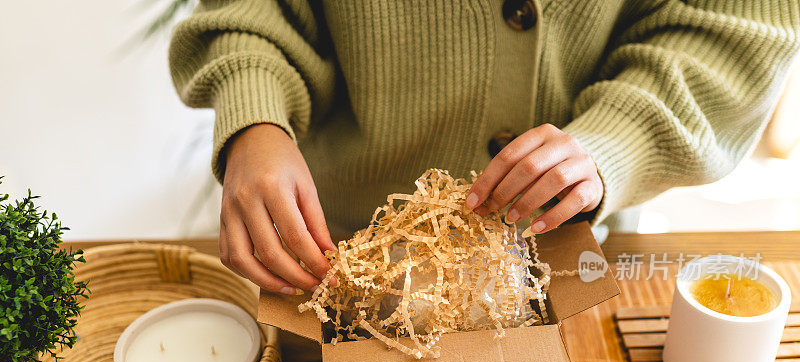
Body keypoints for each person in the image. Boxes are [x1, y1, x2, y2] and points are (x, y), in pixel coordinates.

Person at [169, 1, 799, 294]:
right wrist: (254, 119)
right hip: (333, 253)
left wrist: (617, 139)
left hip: (571, 256)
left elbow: (732, 26)